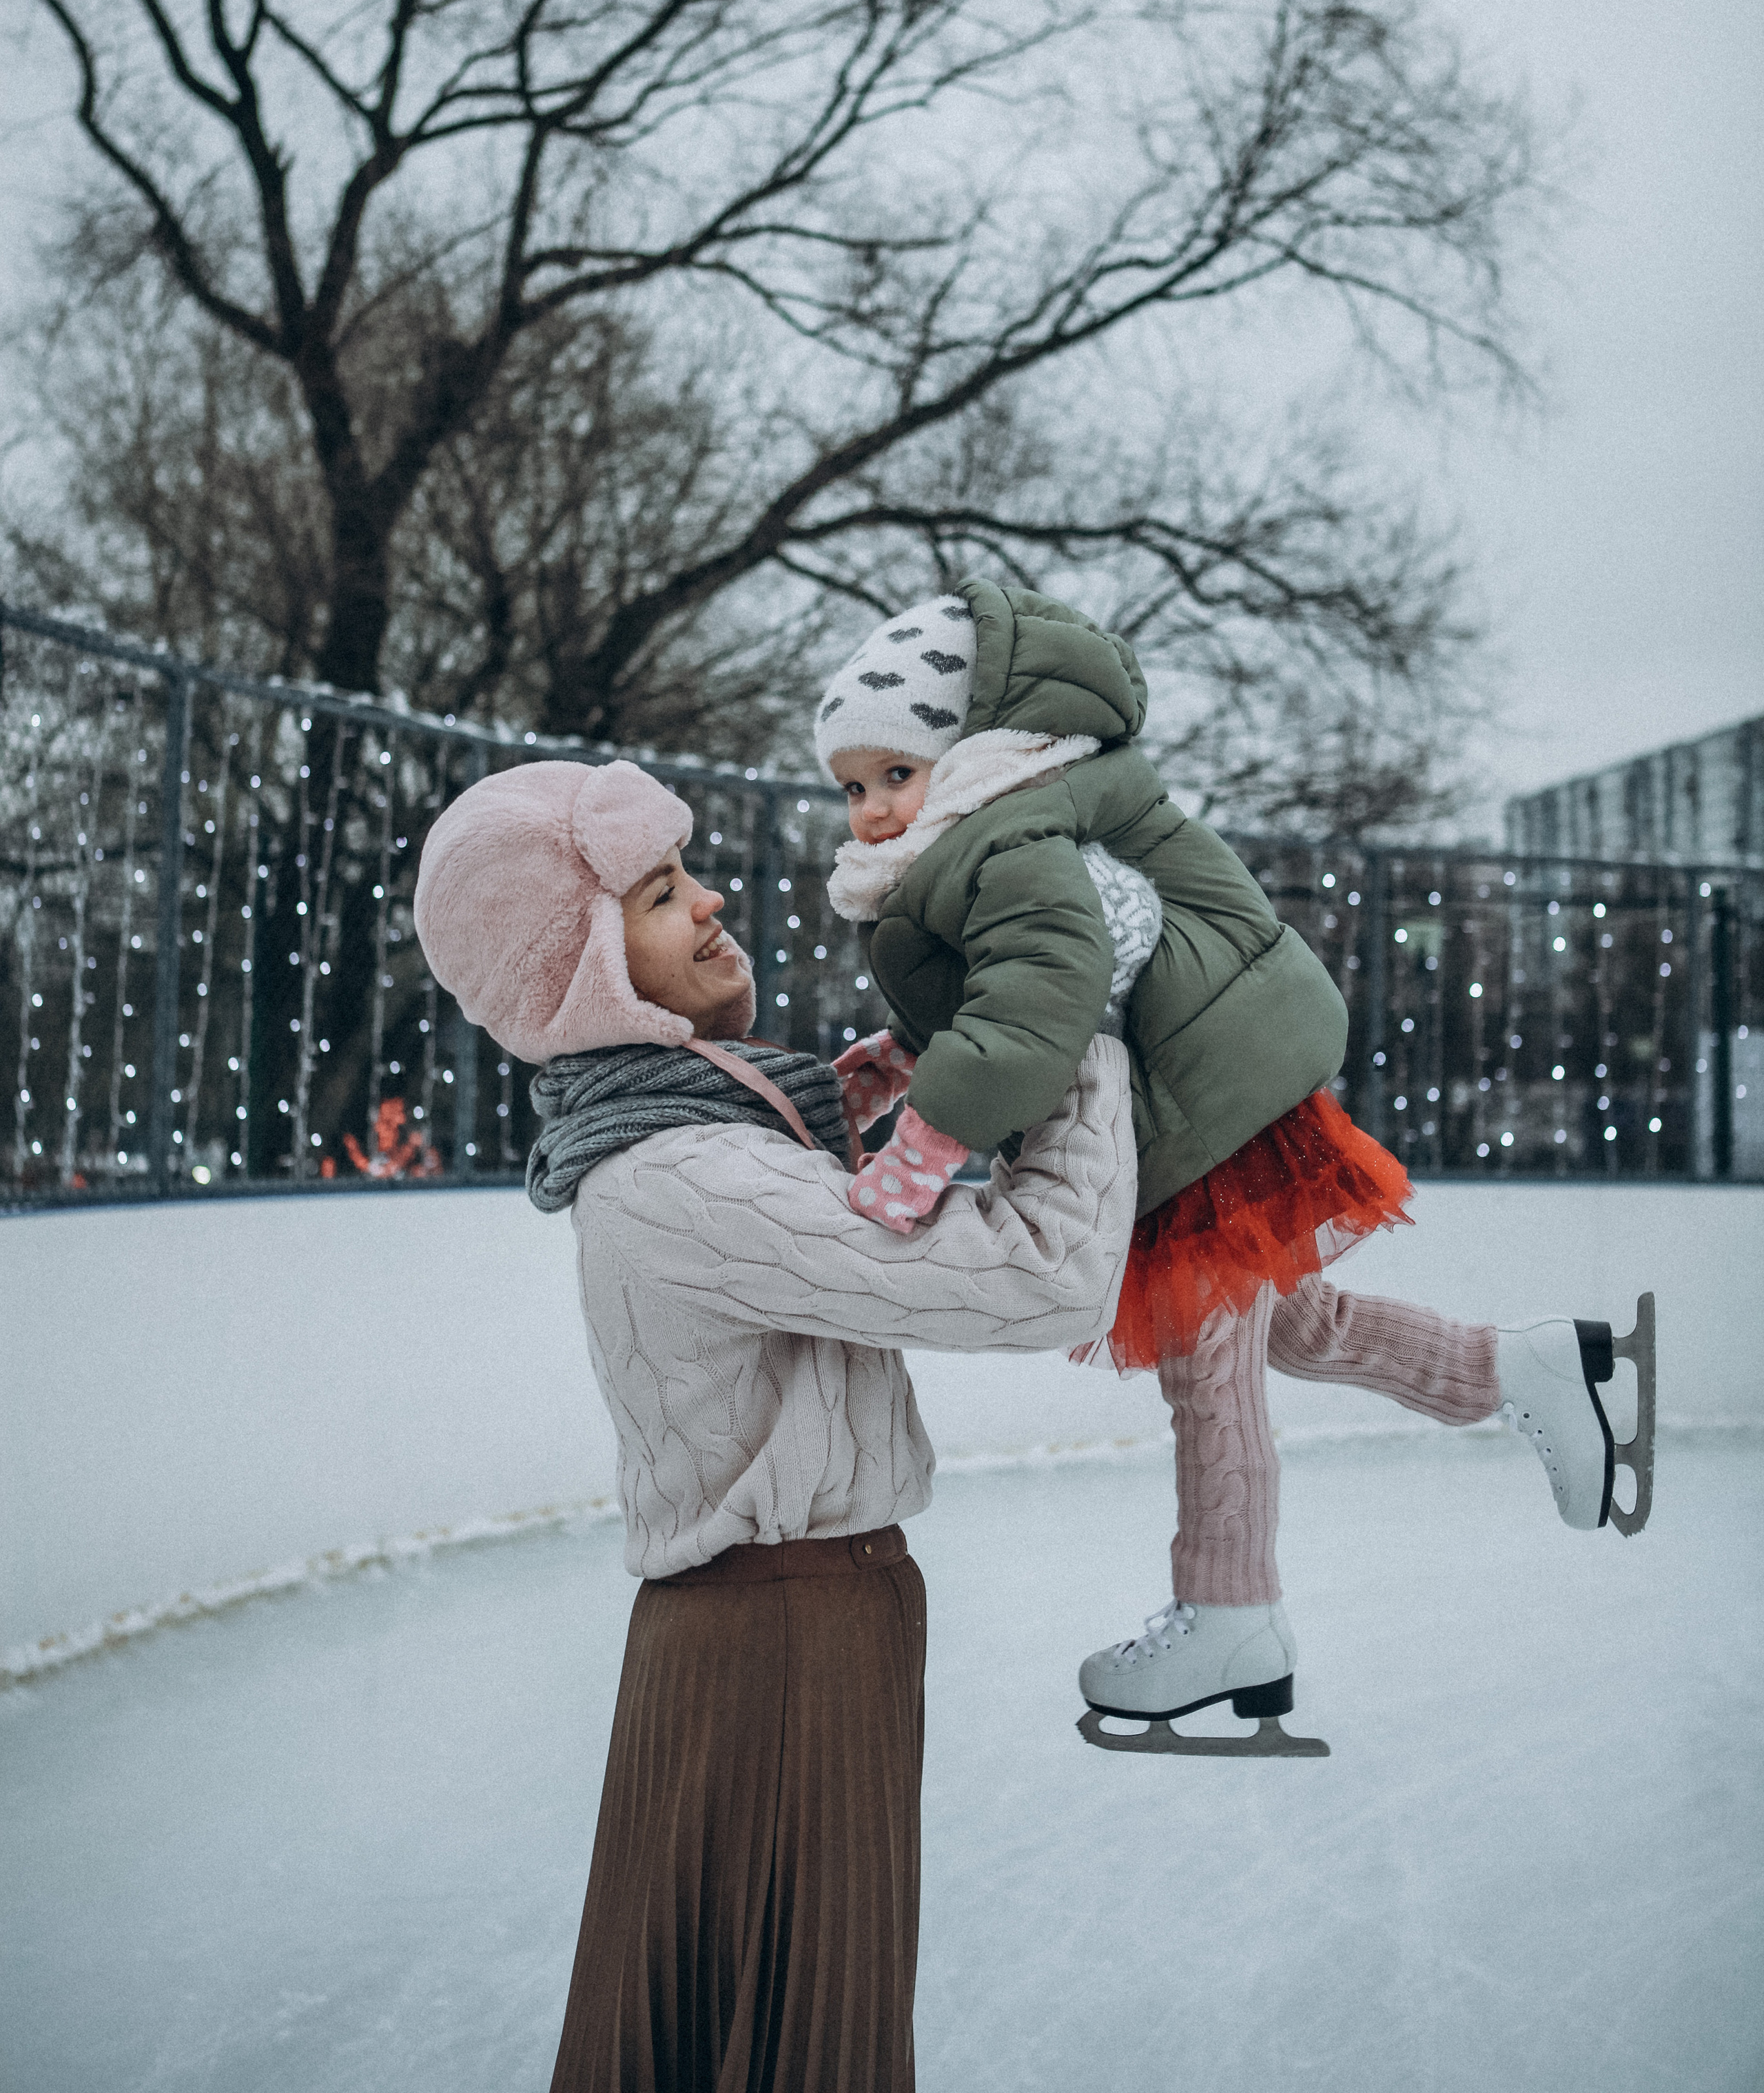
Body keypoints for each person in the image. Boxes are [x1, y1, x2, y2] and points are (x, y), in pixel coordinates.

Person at [816, 579, 1656, 1742]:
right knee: (1300, 1328)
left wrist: (926, 1146)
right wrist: (906, 1058)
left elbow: (1040, 998)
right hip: (1211, 1099)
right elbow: (1031, 987)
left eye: (897, 774)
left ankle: (1232, 1613)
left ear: (967, 754)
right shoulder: (1001, 832)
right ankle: (1526, 1368)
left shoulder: (1008, 839)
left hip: (1203, 1117)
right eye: (852, 786)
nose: (870, 811)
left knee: (1207, 1374)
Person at [412, 755, 1140, 2092]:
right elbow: (1041, 1274)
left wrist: (920, 1069)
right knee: (807, 2038)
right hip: (784, 1651)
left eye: (685, 872)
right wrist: (1079, 1014)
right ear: (586, 974)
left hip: (786, 1633)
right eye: (658, 894)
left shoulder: (696, 1131)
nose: (708, 901)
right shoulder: (682, 1173)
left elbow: (817, 1176)